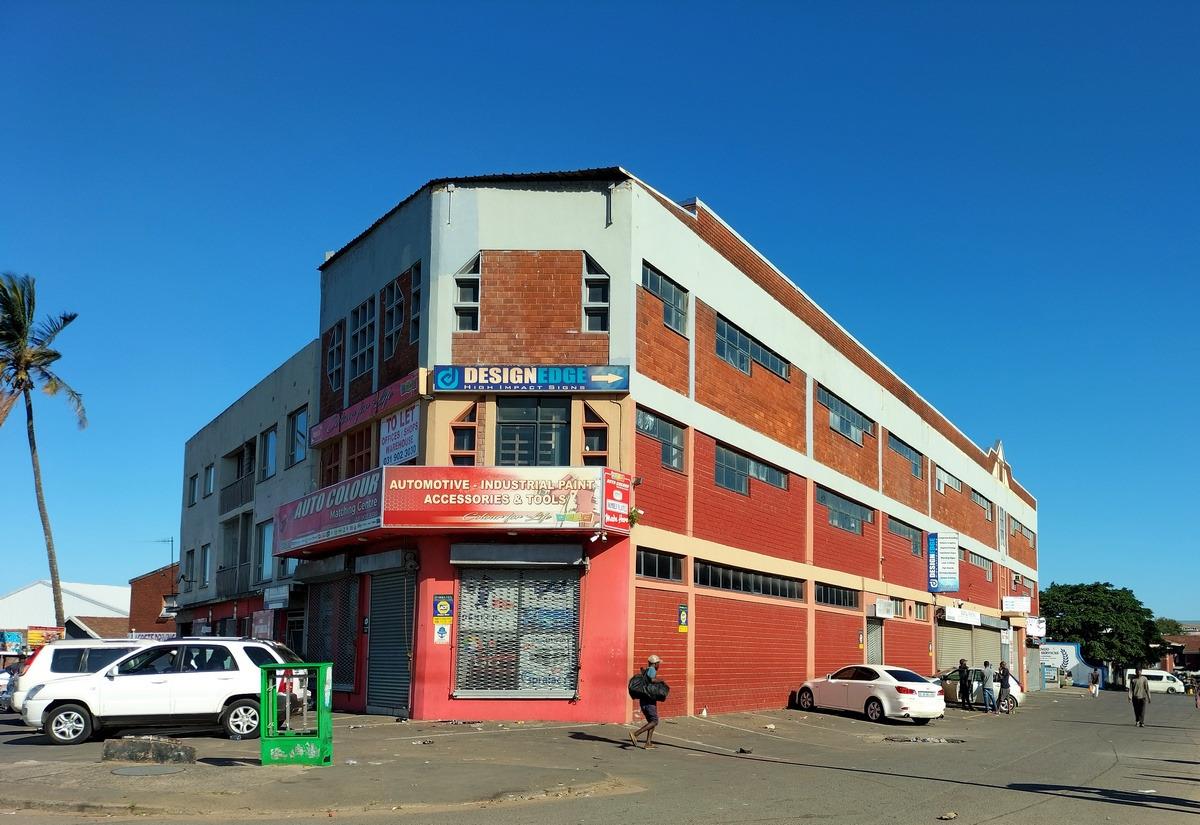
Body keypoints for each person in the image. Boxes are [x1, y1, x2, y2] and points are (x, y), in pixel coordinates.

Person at [630, 654, 663, 749]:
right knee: (655, 721)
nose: (659, 665)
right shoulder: (652, 670)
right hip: (649, 701)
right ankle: (635, 734)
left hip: (644, 700)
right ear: (655, 664)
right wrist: (660, 681)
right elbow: (651, 680)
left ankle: (648, 743)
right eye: (658, 663)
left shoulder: (647, 670)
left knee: (651, 722)